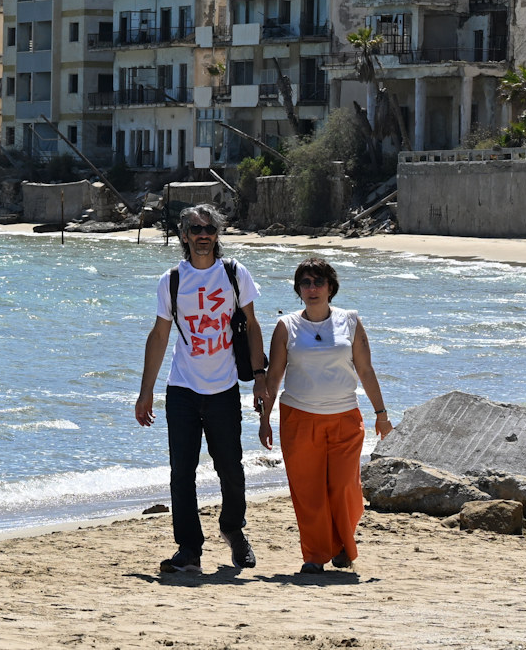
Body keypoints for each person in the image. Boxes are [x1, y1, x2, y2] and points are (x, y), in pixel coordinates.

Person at [135, 204, 266, 576]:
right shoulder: (172, 280)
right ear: (184, 235)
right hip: (182, 389)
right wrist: (146, 392)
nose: (202, 235)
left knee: (231, 468)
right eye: (195, 229)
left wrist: (260, 376)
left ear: (217, 234)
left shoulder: (235, 274)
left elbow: (253, 326)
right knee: (182, 473)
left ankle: (233, 530)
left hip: (224, 388)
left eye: (208, 228)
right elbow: (160, 335)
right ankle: (189, 549)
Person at [255, 256, 394, 575]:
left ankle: (344, 543)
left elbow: (366, 369)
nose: (312, 288)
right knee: (308, 490)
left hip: (345, 416)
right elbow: (274, 376)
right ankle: (315, 555)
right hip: (299, 418)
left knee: (346, 488)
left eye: (318, 282)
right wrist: (265, 419)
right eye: (305, 282)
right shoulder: (286, 326)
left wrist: (381, 414)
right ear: (298, 289)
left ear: (331, 287)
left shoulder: (350, 321)